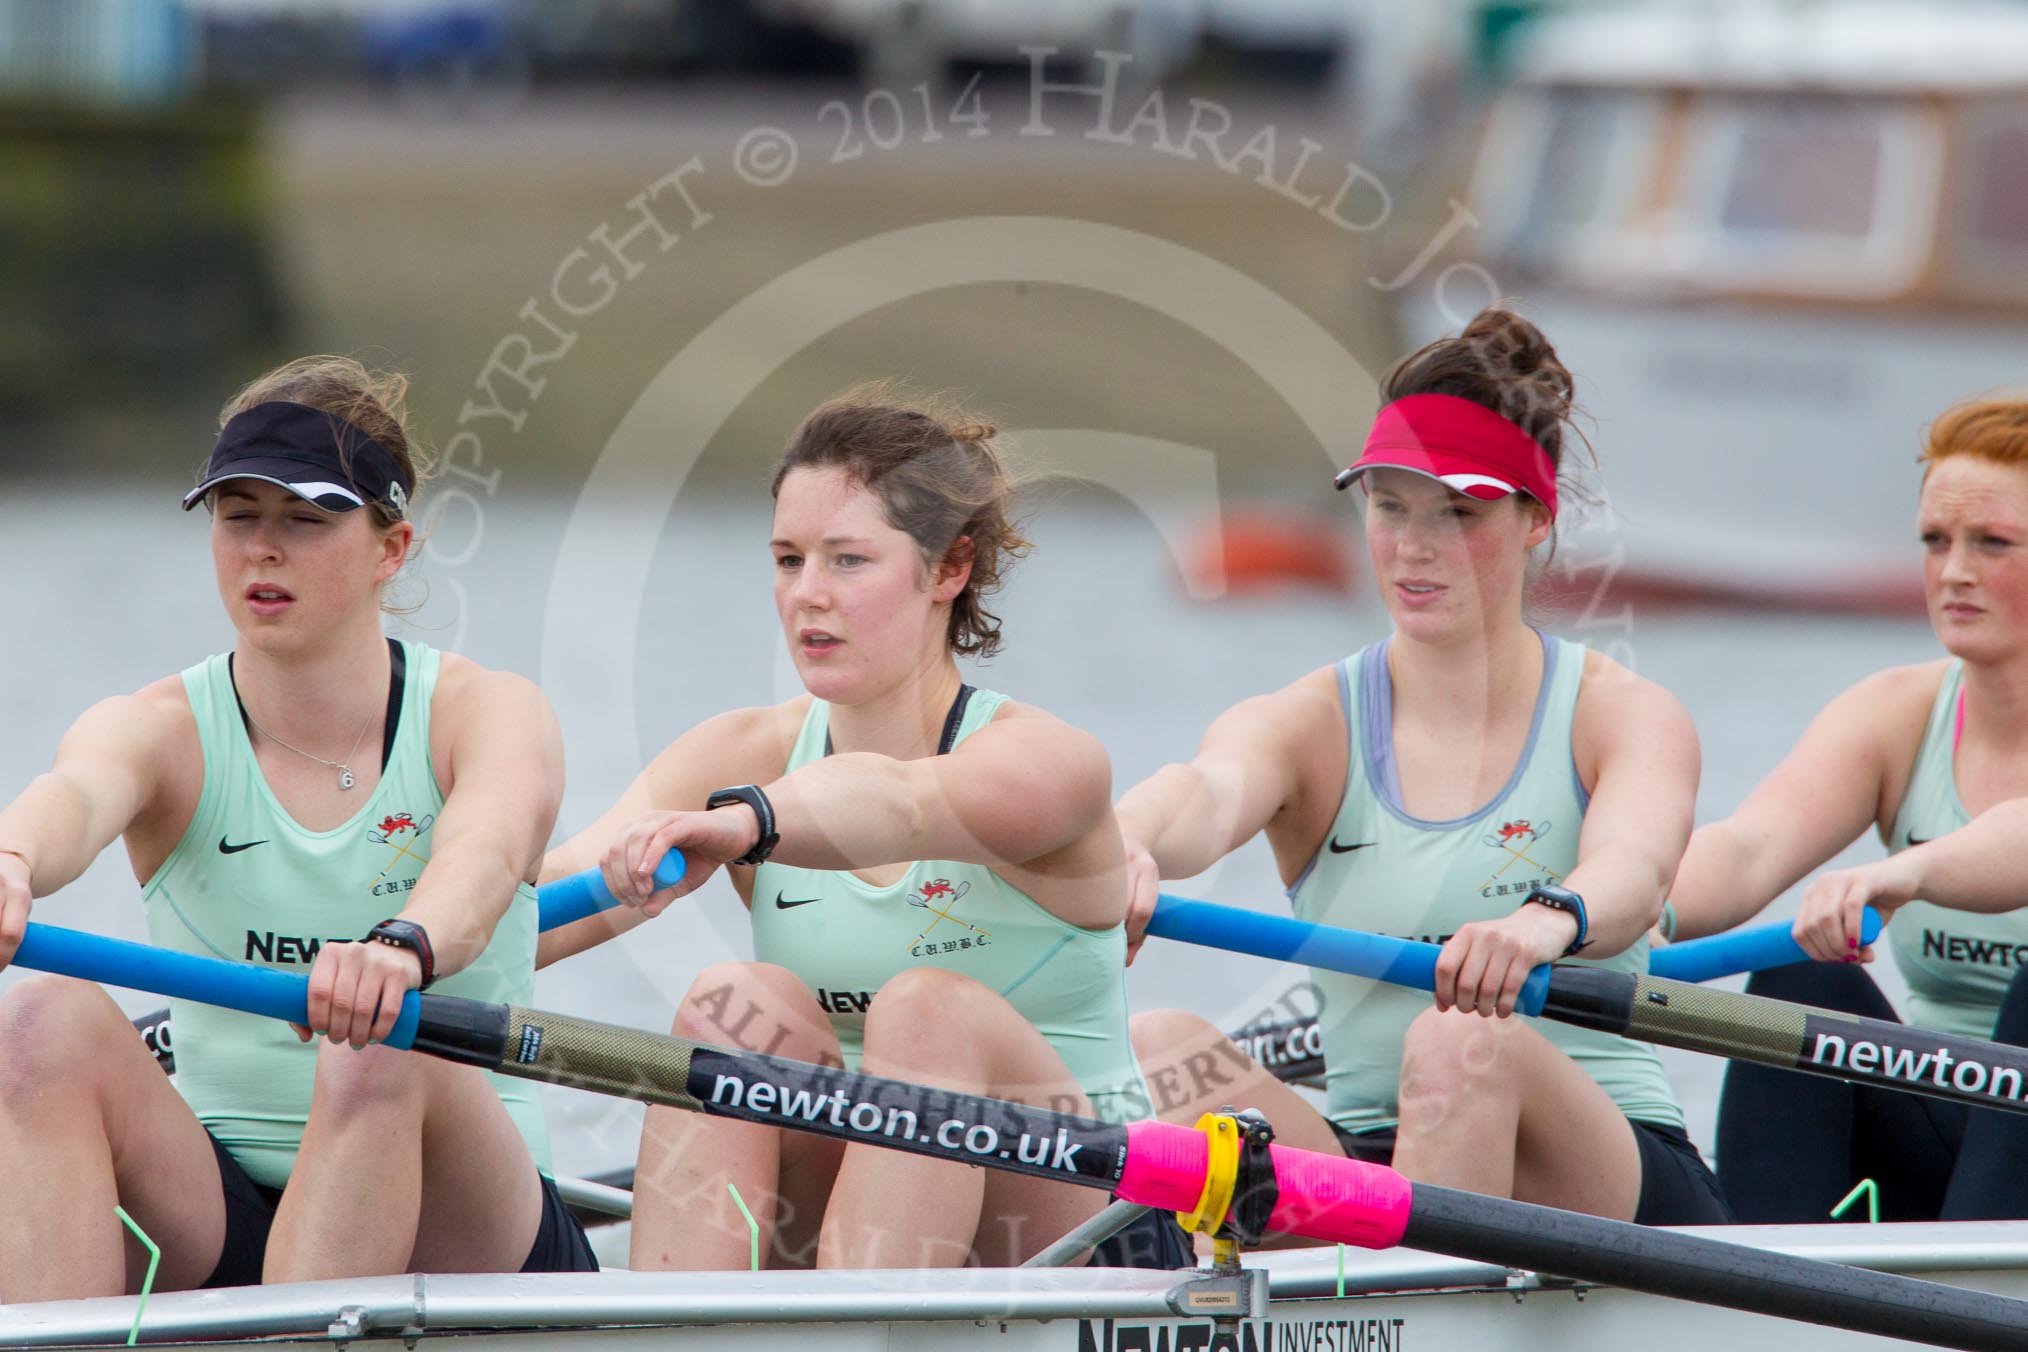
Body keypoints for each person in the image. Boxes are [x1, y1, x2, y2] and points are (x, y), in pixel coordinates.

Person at [538, 389, 1183, 1270]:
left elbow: (900, 805)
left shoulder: (1048, 762)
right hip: (857, 1213)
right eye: (787, 558)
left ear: (949, 570)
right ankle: (684, 1328)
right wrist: (386, 948)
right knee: (737, 1004)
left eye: (847, 561)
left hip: (1087, 1225)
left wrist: (750, 823)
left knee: (927, 1010)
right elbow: (539, 901)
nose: (807, 596)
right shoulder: (738, 750)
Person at [1114, 308, 1730, 1230]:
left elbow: (1636, 872)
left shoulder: (1621, 714)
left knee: (1459, 1041)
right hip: (1371, 1162)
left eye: (1459, 512)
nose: (1413, 545)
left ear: (1534, 518)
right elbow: (1203, 794)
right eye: (1389, 505)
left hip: (1608, 1169)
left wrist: (1544, 918)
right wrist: (1118, 844)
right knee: (1163, 1050)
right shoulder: (1310, 722)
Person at [0, 357, 593, 1301]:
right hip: (226, 1209)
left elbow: (485, 854)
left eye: (306, 520)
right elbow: (72, 794)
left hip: (473, 1220)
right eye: (239, 517)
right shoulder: (158, 730)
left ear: (390, 548)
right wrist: (12, 860)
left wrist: (404, 945)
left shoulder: (486, 714)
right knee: (39, 1024)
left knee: (378, 1042)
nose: (262, 551)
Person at [1669, 397, 2028, 1223]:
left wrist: (1909, 870)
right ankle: (1762, 1293)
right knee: (1802, 975)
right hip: (1959, 1142)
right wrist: (1600, 911)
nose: (1954, 571)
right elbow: (1748, 849)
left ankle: (1966, 1305)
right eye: (1935, 541)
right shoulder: (1895, 714)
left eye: (1992, 543)